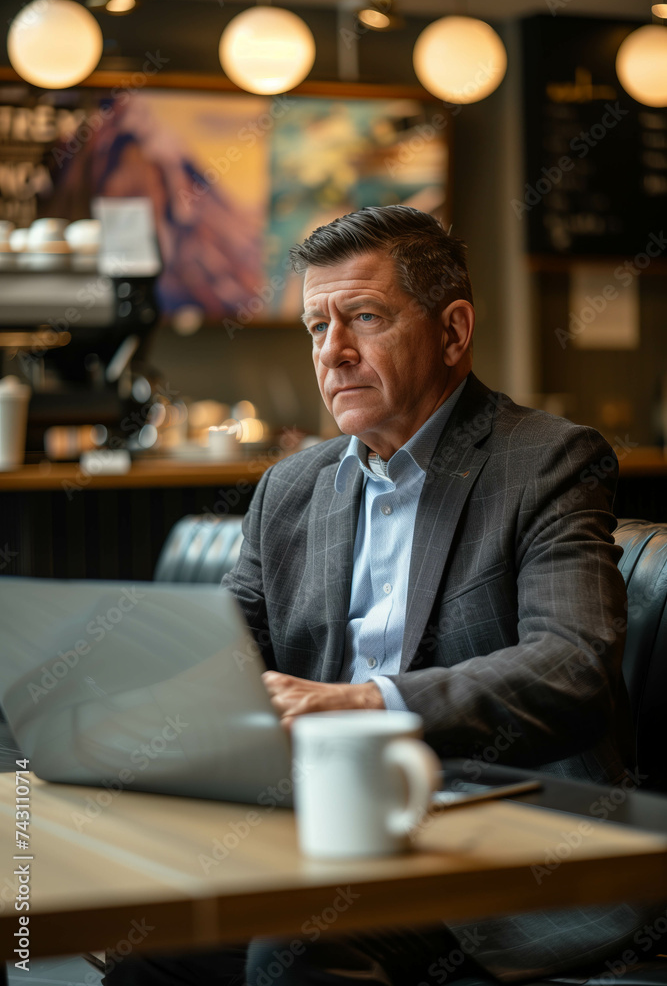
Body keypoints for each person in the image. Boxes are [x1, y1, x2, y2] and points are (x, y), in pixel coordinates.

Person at [105, 206, 655, 986]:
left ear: (453, 332)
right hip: (314, 821)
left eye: (363, 317)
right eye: (316, 326)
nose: (333, 352)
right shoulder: (289, 488)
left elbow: (572, 669)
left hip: (500, 840)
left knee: (293, 947)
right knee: (151, 930)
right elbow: (225, 658)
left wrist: (364, 704)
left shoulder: (546, 464)